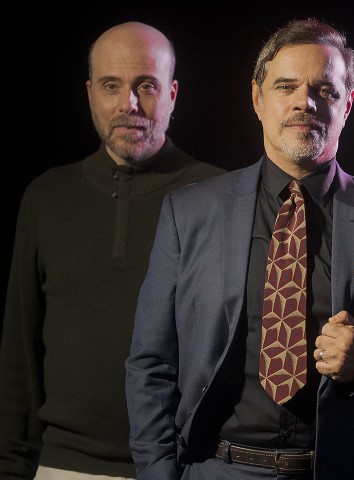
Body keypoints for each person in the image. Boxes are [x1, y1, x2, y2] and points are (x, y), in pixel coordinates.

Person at [124, 17, 354, 480]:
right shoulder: (190, 213)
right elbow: (151, 362)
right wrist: (158, 472)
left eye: (325, 90)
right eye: (286, 86)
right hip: (216, 468)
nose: (305, 102)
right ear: (257, 98)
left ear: (347, 104)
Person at [0, 21, 226, 479]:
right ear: (90, 94)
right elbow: (19, 352)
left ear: (172, 94)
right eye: (111, 85)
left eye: (146, 86)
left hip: (182, 466)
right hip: (62, 465)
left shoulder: (219, 196)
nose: (129, 104)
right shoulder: (46, 197)